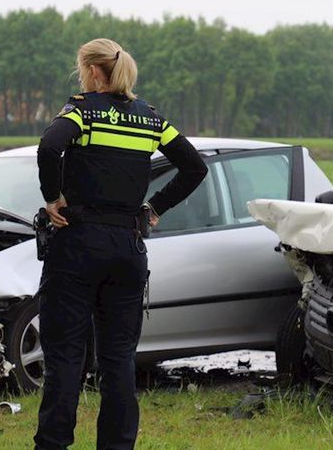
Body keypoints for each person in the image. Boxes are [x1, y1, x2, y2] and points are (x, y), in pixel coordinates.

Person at [34, 38, 207, 450]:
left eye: (82, 70)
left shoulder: (82, 111)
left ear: (94, 72)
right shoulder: (150, 119)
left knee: (65, 361)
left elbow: (49, 147)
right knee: (118, 363)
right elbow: (194, 166)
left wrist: (53, 196)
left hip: (77, 246)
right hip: (127, 248)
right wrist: (154, 208)